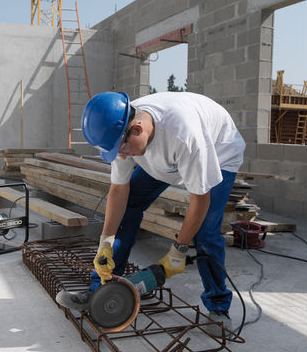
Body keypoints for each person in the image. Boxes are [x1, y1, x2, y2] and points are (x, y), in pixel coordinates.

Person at [56, 90, 245, 334]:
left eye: (122, 149)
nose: (121, 156)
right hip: (165, 155)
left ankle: (218, 306)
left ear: (136, 128)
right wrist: (106, 242)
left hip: (219, 153)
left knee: (206, 232)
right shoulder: (120, 130)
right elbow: (118, 190)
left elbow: (200, 200)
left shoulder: (184, 135)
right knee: (129, 205)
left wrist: (179, 249)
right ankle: (101, 289)